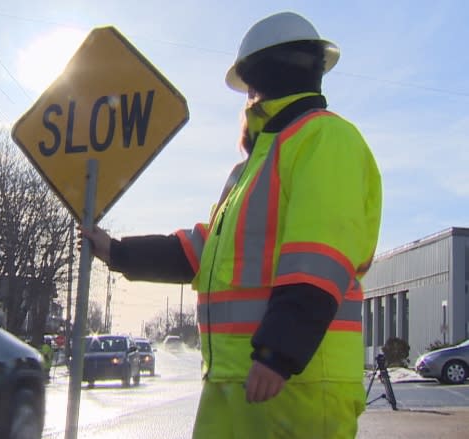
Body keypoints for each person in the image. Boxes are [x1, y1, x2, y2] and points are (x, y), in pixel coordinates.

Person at [81, 11, 382, 438]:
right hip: (237, 380)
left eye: (249, 86)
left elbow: (320, 256)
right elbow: (204, 251)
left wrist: (278, 352)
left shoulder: (325, 140)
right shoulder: (254, 165)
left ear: (261, 80)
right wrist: (119, 252)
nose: (248, 98)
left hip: (298, 383)